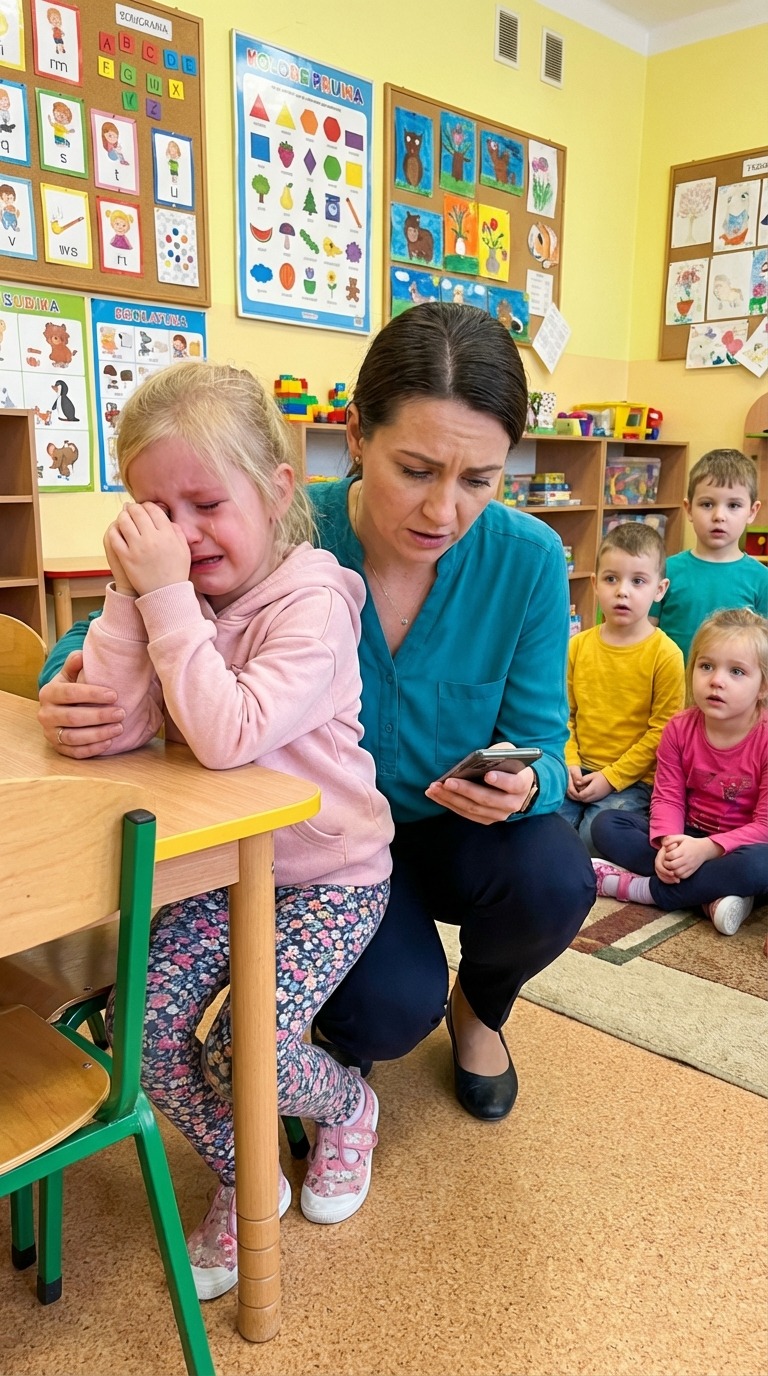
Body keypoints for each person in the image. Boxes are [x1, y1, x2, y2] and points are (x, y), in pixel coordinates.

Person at [38, 302, 596, 1131]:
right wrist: (64, 680)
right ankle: (364, 1026)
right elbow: (119, 621)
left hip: (453, 829)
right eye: (416, 469)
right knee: (384, 1014)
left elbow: (543, 742)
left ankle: (481, 1009)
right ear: (356, 435)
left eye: (478, 480)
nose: (443, 511)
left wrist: (528, 783)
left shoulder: (528, 559)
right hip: (321, 846)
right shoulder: (279, 524)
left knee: (556, 876)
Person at [76, 361, 394, 1299]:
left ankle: (349, 1105)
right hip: (223, 867)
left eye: (207, 504)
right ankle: (245, 1168)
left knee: (245, 1047)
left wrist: (164, 599)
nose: (180, 534)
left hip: (329, 875)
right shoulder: (175, 593)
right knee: (138, 1027)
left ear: (278, 490)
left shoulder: (314, 605)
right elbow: (118, 716)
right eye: (153, 511)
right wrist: (128, 596)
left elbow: (228, 733)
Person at [591, 608, 768, 937]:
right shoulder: (679, 728)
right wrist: (669, 845)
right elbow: (668, 797)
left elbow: (765, 827)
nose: (716, 680)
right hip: (686, 836)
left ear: (763, 687)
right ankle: (710, 896)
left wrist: (706, 850)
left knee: (761, 865)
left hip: (739, 848)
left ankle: (644, 890)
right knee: (607, 824)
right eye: (706, 666)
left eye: (737, 672)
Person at [559, 522, 684, 856]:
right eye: (611, 579)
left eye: (638, 581)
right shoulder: (577, 647)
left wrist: (611, 778)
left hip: (632, 780)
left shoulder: (666, 655)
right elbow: (563, 714)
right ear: (595, 584)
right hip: (576, 769)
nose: (622, 591)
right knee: (546, 829)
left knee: (592, 838)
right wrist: (569, 761)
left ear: (660, 589)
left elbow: (663, 733)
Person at [651, 448, 768, 661]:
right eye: (707, 504)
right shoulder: (664, 571)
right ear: (688, 509)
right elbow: (644, 637)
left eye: (733, 505)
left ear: (752, 511)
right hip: (671, 681)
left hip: (733, 682)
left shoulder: (762, 579)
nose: (719, 516)